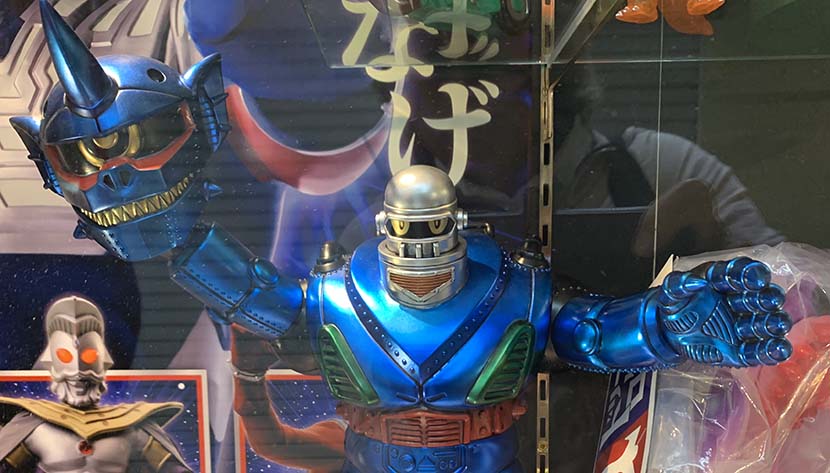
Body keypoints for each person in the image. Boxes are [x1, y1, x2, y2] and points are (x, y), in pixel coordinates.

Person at [0, 295, 190, 473]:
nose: (78, 373)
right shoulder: (33, 428)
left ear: (102, 363)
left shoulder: (134, 427)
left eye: (89, 356)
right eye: (64, 356)